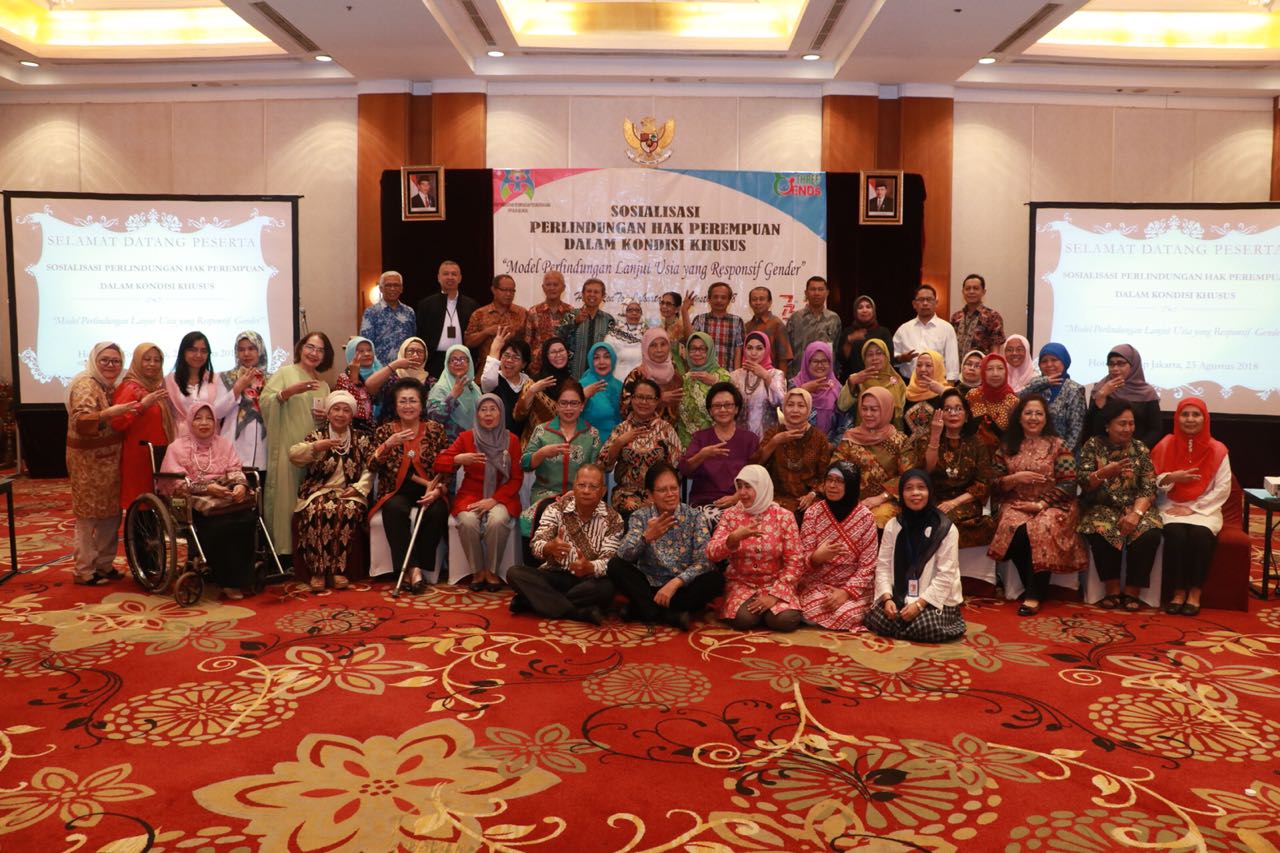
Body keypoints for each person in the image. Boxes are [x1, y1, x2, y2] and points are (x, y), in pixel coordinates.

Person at [988, 395, 1087, 616]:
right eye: (1028, 413)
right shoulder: (1007, 446)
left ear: (1045, 418)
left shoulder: (1058, 445)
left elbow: (1069, 483)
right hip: (1016, 502)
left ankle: (1033, 595)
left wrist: (1042, 504)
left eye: (1038, 413)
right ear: (1019, 417)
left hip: (1053, 504)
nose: (1033, 418)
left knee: (1040, 529)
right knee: (1015, 531)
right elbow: (993, 483)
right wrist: (1015, 478)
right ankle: (1038, 590)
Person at [608, 462, 724, 630]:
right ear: (650, 495)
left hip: (681, 587)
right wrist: (646, 538)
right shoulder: (640, 517)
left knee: (715, 579)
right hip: (649, 584)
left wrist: (675, 583)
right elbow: (624, 555)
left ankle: (643, 610)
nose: (670, 494)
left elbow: (704, 561)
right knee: (615, 565)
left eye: (674, 488)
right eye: (663, 490)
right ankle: (669, 614)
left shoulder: (695, 516)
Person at [159, 402, 256, 600]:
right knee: (219, 526)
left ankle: (242, 577)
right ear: (190, 422)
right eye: (198, 418)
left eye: (209, 418)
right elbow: (175, 482)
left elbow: (234, 469)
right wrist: (207, 488)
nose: (204, 423)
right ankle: (226, 580)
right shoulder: (177, 448)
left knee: (247, 518)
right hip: (190, 503)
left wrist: (240, 485)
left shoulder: (224, 444)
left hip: (224, 498)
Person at [508, 464, 622, 624]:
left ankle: (534, 601)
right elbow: (536, 545)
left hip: (587, 580)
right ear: (574, 486)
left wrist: (589, 567)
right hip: (555, 573)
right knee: (514, 573)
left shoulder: (614, 519)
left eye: (593, 487)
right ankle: (576, 612)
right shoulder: (556, 509)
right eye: (581, 485)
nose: (586, 491)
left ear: (603, 491)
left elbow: (609, 561)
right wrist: (549, 547)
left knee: (606, 588)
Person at [1077, 399, 1162, 611]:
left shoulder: (1140, 448)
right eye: (1122, 424)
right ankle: (1112, 589)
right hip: (1101, 506)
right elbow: (1084, 484)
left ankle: (1133, 591)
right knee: (1101, 529)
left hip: (1136, 506)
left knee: (1148, 533)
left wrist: (1136, 513)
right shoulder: (1093, 445)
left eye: (1131, 423)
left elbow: (1149, 487)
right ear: (1108, 425)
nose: (1128, 428)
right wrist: (1103, 473)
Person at [863, 470, 966, 642]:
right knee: (882, 618)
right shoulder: (893, 525)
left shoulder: (945, 528)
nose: (915, 493)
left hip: (931, 600)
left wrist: (919, 604)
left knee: (925, 627)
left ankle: (905, 626)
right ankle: (902, 624)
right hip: (898, 595)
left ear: (930, 492)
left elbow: (946, 574)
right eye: (909, 488)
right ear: (902, 494)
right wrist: (887, 598)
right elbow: (883, 566)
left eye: (921, 488)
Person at [368, 378, 450, 591]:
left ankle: (416, 566)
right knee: (394, 509)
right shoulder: (384, 431)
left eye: (412, 401)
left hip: (429, 488)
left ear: (421, 405)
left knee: (438, 510)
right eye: (402, 401)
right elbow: (372, 465)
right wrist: (388, 445)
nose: (408, 406)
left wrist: (438, 490)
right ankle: (414, 570)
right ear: (395, 406)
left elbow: (447, 466)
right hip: (396, 490)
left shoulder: (435, 430)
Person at [1151, 397, 1231, 616]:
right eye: (1185, 414)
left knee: (1201, 536)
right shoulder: (1165, 444)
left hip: (1205, 508)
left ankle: (1195, 593)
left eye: (1196, 414)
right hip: (1170, 504)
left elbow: (1223, 488)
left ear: (1205, 419)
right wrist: (1172, 477)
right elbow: (1152, 480)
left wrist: (1194, 508)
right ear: (1177, 418)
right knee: (1175, 534)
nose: (1190, 419)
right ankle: (1178, 592)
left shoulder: (1218, 449)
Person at [435, 394, 524, 592]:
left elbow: (517, 479)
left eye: (493, 409)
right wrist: (458, 459)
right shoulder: (467, 437)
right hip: (471, 493)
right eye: (483, 410)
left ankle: (491, 571)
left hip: (502, 494)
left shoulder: (512, 440)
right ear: (477, 414)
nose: (488, 414)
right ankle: (477, 571)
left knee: (497, 520)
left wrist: (494, 500)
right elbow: (439, 463)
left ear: (501, 413)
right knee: (467, 521)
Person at [290, 390, 374, 592]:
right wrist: (315, 447)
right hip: (318, 491)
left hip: (349, 492)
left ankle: (338, 571)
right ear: (328, 413)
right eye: (336, 409)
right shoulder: (317, 436)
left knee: (347, 510)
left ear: (352, 415)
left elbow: (370, 468)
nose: (340, 414)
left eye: (346, 410)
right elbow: (294, 455)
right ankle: (318, 572)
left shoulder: (362, 438)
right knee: (317, 510)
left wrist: (358, 489)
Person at [66, 342, 135, 586]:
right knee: (88, 517)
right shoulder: (85, 383)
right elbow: (82, 422)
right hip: (87, 463)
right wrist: (109, 413)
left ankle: (104, 565)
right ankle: (84, 570)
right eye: (104, 360)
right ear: (94, 361)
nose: (110, 365)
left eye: (116, 361)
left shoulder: (108, 385)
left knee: (111, 513)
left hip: (110, 462)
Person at [706, 465, 804, 632]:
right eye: (739, 487)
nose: (742, 492)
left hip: (775, 583)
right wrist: (732, 539)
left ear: (762, 486)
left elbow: (795, 560)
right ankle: (760, 613)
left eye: (748, 486)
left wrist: (774, 595)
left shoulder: (784, 516)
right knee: (743, 619)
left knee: (786, 620)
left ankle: (769, 612)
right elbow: (711, 553)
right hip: (742, 584)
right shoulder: (731, 515)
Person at [260, 332, 332, 557]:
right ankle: (285, 552)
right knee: (287, 498)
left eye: (320, 350)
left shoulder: (323, 386)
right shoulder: (285, 373)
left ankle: (309, 551)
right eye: (310, 347)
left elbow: (329, 421)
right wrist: (288, 392)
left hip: (314, 450)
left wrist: (326, 416)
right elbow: (265, 401)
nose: (314, 353)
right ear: (301, 348)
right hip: (286, 445)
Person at [797, 462, 879, 630]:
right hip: (818, 584)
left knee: (847, 614)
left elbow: (868, 565)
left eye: (839, 481)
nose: (832, 485)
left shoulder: (866, 517)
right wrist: (816, 557)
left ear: (851, 484)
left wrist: (845, 592)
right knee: (808, 606)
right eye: (829, 479)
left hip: (852, 587)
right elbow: (801, 558)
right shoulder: (813, 513)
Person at [520, 379, 602, 537]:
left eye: (574, 403)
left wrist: (577, 492)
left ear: (582, 406)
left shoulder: (592, 434)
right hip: (545, 494)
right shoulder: (542, 431)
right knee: (543, 515)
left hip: (580, 495)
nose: (568, 408)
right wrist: (542, 453)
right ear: (556, 405)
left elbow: (596, 472)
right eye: (563, 403)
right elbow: (525, 464)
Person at [915, 388, 995, 548]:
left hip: (965, 501)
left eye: (958, 409)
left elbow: (983, 484)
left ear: (966, 416)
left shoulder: (977, 443)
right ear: (940, 414)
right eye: (947, 409)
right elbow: (924, 471)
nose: (953, 413)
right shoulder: (927, 438)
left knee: (941, 521)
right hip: (933, 498)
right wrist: (935, 436)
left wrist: (954, 503)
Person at [831, 386, 913, 530]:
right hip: (851, 498)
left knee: (874, 519)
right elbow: (836, 469)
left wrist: (881, 498)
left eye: (874, 409)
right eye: (864, 409)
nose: (868, 414)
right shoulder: (850, 437)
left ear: (886, 410)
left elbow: (907, 476)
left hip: (886, 501)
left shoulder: (900, 441)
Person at [599, 377, 681, 518]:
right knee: (630, 508)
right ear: (632, 399)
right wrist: (619, 443)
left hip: (660, 493)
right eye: (639, 397)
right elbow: (602, 465)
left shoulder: (666, 429)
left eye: (649, 398)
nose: (644, 402)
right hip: (626, 494)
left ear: (657, 401)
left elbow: (678, 466)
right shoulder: (621, 429)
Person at [680, 382, 759, 520]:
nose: (722, 409)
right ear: (710, 411)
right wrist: (702, 455)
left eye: (728, 405)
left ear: (736, 409)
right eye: (717, 406)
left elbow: (756, 476)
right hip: (705, 503)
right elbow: (685, 470)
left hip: (741, 500)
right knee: (712, 519)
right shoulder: (700, 437)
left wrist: (736, 497)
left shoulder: (750, 439)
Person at [111, 342, 174, 509]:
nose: (152, 364)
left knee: (157, 503)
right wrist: (142, 406)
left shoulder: (155, 387)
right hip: (139, 456)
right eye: (147, 359)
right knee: (141, 503)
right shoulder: (129, 388)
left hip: (158, 453)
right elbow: (117, 422)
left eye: (157, 360)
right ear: (137, 361)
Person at [752, 388, 832, 516]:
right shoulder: (773, 433)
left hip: (808, 500)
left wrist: (812, 494)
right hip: (776, 499)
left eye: (801, 406)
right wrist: (774, 442)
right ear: (783, 408)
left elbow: (825, 475)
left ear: (809, 409)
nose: (795, 410)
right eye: (790, 405)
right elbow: (756, 465)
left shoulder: (819, 438)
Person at [1087, 344, 1162, 450]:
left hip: (1137, 452)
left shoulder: (1147, 392)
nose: (1115, 368)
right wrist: (1102, 396)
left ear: (1133, 365)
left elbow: (1155, 430)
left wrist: (1136, 450)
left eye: (1121, 363)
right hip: (1103, 451)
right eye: (1111, 364)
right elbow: (1091, 427)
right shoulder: (1100, 389)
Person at [417, 260, 478, 380]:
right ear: (438, 278)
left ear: (460, 278)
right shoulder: (426, 305)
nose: (450, 277)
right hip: (434, 361)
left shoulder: (471, 305)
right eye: (446, 274)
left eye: (454, 274)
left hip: (462, 361)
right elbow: (420, 334)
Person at [218, 331, 271, 468]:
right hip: (234, 446)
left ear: (260, 350)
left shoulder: (272, 379)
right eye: (241, 349)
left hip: (264, 447)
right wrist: (237, 388)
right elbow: (217, 412)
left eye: (251, 348)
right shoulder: (226, 377)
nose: (246, 354)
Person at [1020, 343, 1086, 451]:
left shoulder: (1074, 390)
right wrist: (1043, 382)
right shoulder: (1036, 385)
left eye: (1054, 360)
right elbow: (1018, 400)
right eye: (1044, 361)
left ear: (1064, 361)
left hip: (1062, 453)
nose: (1049, 364)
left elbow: (1076, 431)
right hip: (1031, 451)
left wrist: (1061, 454)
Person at [164, 331, 232, 434]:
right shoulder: (169, 381)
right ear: (183, 352)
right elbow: (165, 415)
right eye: (193, 350)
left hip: (210, 438)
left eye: (203, 351)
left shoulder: (216, 379)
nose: (199, 355)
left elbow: (220, 411)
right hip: (180, 438)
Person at [892, 284, 959, 381]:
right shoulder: (904, 329)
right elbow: (891, 357)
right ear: (914, 304)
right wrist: (902, 358)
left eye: (929, 299)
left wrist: (950, 384)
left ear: (936, 303)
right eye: (921, 300)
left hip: (938, 383)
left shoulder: (947, 328)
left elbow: (952, 362)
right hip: (909, 383)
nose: (925, 303)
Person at [836, 339, 905, 430]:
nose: (874, 358)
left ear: (887, 356)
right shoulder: (858, 380)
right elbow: (842, 406)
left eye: (879, 353)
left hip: (891, 435)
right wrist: (851, 382)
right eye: (870, 354)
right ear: (864, 359)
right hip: (863, 435)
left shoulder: (897, 382)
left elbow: (901, 414)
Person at [514, 337, 572, 445]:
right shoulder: (533, 382)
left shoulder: (572, 384)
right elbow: (518, 415)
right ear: (546, 356)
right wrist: (532, 391)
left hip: (561, 445)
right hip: (534, 445)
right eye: (553, 352)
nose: (558, 355)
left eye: (561, 350)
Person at [677, 332, 732, 446]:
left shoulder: (723, 376)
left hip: (715, 443)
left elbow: (734, 406)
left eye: (702, 349)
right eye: (693, 349)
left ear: (710, 350)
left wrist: (715, 383)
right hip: (686, 443)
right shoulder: (684, 379)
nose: (697, 353)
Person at [620, 327, 683, 425]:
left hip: (672, 432)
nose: (659, 350)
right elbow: (624, 410)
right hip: (641, 432)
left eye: (663, 344)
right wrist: (658, 399)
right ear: (645, 348)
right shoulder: (637, 376)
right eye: (653, 345)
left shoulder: (676, 374)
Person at [464, 274, 528, 367]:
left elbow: (528, 342)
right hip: (486, 368)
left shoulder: (522, 313)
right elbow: (468, 342)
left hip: (514, 369)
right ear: (493, 290)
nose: (508, 294)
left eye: (512, 291)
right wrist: (486, 332)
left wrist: (514, 335)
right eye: (504, 290)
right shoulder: (480, 314)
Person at [479, 329, 533, 436]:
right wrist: (495, 349)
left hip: (520, 440)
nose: (509, 360)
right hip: (494, 437)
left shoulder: (529, 383)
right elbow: (488, 379)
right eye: (506, 355)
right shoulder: (494, 379)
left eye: (515, 358)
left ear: (524, 364)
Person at [558, 278, 615, 378]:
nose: (592, 294)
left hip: (600, 378)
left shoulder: (609, 320)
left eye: (596, 292)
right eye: (589, 291)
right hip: (572, 377)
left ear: (603, 296)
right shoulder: (571, 315)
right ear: (583, 295)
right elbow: (558, 340)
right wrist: (575, 323)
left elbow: (613, 350)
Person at [785, 276, 841, 378]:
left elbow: (837, 351)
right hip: (800, 378)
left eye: (820, 289)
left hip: (826, 378)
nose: (816, 293)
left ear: (827, 292)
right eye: (813, 289)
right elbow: (788, 352)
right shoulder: (795, 318)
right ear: (806, 293)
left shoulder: (834, 319)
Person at [732, 331, 786, 435]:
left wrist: (766, 377)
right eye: (749, 348)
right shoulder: (736, 376)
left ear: (767, 350)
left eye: (759, 348)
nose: (753, 353)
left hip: (767, 436)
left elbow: (783, 403)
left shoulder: (776, 374)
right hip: (741, 435)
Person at [426, 344, 482, 443]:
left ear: (469, 362)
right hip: (450, 443)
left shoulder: (473, 387)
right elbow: (433, 418)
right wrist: (452, 396)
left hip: (475, 441)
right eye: (453, 360)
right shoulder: (440, 388)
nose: (458, 363)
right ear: (447, 364)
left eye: (463, 359)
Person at [359, 270, 416, 367]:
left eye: (396, 285)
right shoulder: (371, 312)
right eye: (388, 285)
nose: (392, 288)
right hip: (379, 368)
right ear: (381, 289)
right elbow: (365, 343)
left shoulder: (409, 312)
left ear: (401, 289)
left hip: (404, 368)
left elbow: (412, 340)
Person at [524, 271, 575, 376]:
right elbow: (527, 343)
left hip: (564, 369)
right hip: (538, 369)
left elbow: (573, 342)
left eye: (556, 284)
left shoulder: (571, 312)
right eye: (548, 284)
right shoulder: (533, 311)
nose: (552, 288)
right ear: (543, 287)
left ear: (563, 288)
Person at [965, 353, 1019, 450]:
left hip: (1002, 454)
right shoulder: (973, 395)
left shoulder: (1012, 401)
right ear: (983, 372)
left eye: (1000, 368)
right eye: (989, 369)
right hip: (974, 452)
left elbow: (1015, 435)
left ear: (1006, 372)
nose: (995, 373)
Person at [686, 281, 745, 370]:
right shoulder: (700, 319)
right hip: (703, 372)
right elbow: (690, 341)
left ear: (729, 300)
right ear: (709, 299)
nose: (719, 300)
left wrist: (736, 374)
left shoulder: (737, 321)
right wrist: (684, 311)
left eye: (723, 297)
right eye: (715, 297)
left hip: (727, 374)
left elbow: (738, 350)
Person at [835, 295, 892, 380]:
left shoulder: (883, 332)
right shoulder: (848, 332)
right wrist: (849, 341)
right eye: (860, 307)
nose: (864, 310)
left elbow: (889, 358)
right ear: (855, 311)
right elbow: (842, 360)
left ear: (873, 310)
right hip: (854, 380)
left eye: (868, 307)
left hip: (878, 379)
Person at [334, 336, 383, 433]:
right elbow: (353, 409)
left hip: (381, 427)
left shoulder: (381, 371)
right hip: (356, 431)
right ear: (351, 355)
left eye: (369, 350)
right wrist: (354, 378)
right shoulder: (344, 378)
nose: (367, 354)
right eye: (361, 351)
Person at [791, 341, 840, 437]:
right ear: (807, 363)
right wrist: (802, 390)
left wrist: (832, 443)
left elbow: (843, 423)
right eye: (815, 361)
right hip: (799, 441)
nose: (820, 366)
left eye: (824, 361)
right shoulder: (794, 385)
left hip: (828, 443)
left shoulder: (837, 388)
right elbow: (785, 410)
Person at [950, 273, 1005, 356]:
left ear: (983, 292)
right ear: (963, 292)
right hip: (957, 364)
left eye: (975, 288)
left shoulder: (993, 316)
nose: (971, 291)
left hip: (982, 363)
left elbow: (995, 350)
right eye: (968, 288)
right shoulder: (956, 317)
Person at [744, 286, 793, 376]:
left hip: (770, 376)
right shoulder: (747, 326)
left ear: (769, 302)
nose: (758, 302)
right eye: (754, 299)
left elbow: (783, 358)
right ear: (750, 303)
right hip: (749, 376)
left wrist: (780, 380)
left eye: (762, 299)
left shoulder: (777, 324)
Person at [578, 342, 623, 439]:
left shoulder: (619, 385)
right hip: (591, 442)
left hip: (618, 441)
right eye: (596, 358)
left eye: (607, 357)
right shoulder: (582, 385)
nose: (601, 362)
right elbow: (569, 415)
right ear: (590, 361)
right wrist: (583, 396)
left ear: (613, 360)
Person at [901, 350, 949, 440]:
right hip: (908, 447)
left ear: (938, 368)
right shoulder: (907, 393)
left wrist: (942, 391)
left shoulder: (946, 394)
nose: (922, 369)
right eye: (919, 365)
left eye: (928, 365)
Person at [603, 300, 647, 380]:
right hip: (617, 379)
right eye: (630, 310)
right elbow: (606, 358)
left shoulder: (647, 334)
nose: (634, 313)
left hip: (640, 379)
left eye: (637, 310)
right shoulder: (613, 335)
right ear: (624, 312)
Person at [657, 291, 689, 369]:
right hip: (661, 368)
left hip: (679, 370)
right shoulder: (659, 328)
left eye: (668, 304)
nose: (664, 306)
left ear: (677, 309)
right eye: (662, 303)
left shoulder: (683, 327)